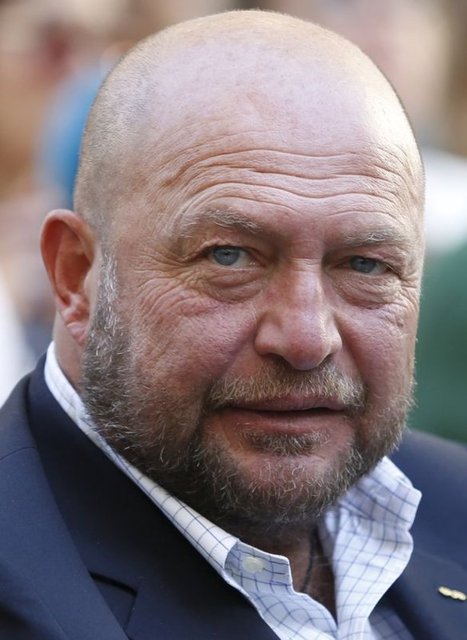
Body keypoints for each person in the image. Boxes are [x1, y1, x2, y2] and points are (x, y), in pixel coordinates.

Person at [0, 10, 466, 640]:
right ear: (76, 275)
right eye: (229, 257)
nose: (306, 339)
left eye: (365, 264)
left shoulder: (455, 502)